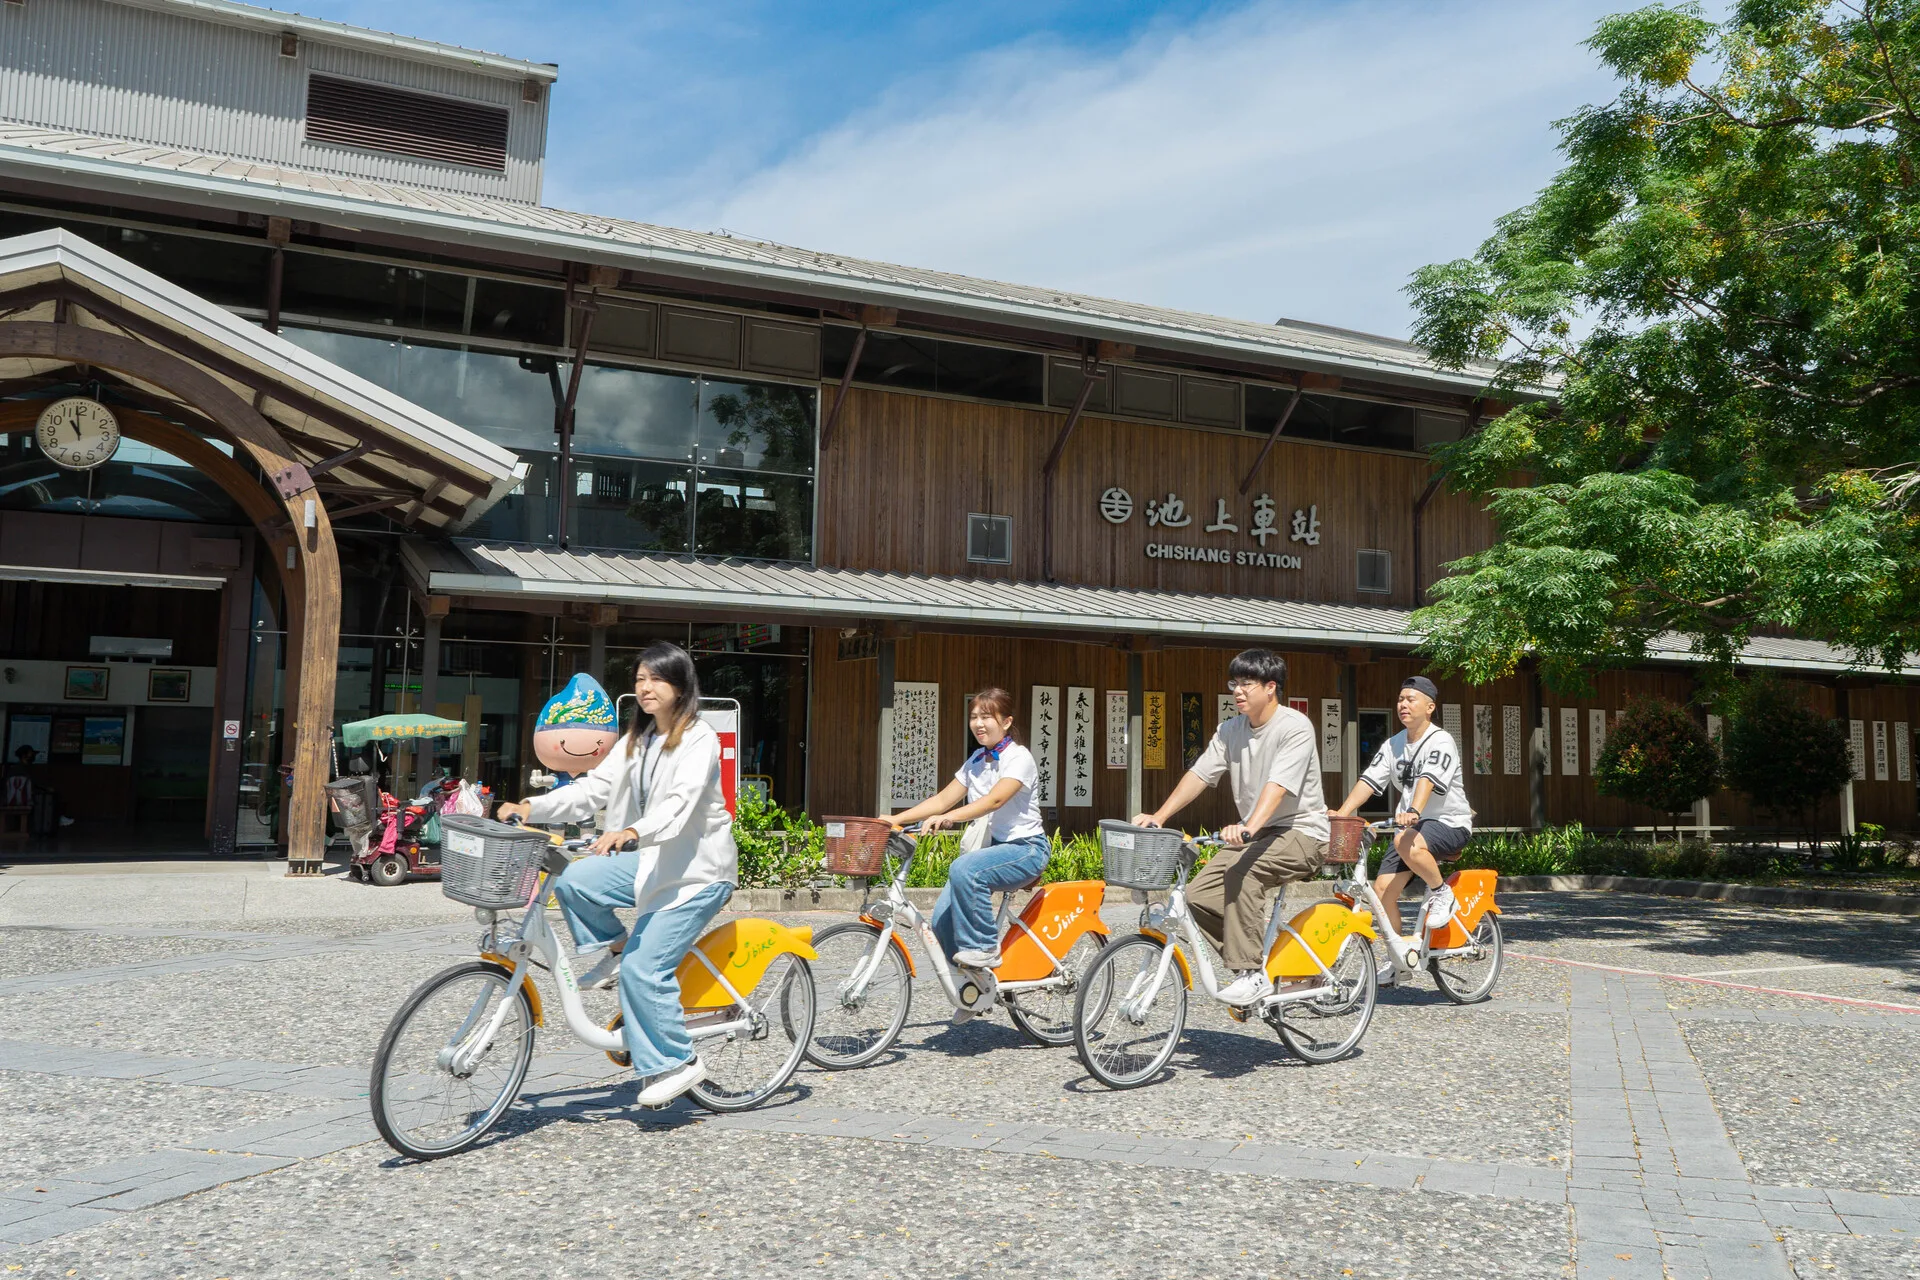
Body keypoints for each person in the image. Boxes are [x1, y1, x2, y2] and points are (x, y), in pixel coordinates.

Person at [496, 642, 734, 1107]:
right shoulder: (635, 742)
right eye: (639, 679)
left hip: (697, 873)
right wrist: (532, 807)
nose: (644, 688)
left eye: (655, 679)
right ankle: (619, 946)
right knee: (574, 882)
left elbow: (679, 805)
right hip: (650, 862)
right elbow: (590, 791)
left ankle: (678, 1063)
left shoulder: (700, 738)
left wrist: (631, 830)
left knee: (646, 971)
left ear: (681, 686)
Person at [1132, 648, 1329, 1006]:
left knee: (1244, 874)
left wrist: (1249, 827)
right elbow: (1200, 774)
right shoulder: (1230, 729)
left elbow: (1278, 786)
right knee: (1196, 897)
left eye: (1247, 684)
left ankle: (1250, 973)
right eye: (1234, 683)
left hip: (1302, 832)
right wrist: (1159, 816)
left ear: (1271, 688)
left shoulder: (1294, 726)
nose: (1237, 691)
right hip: (1259, 833)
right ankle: (1261, 962)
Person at [884, 687, 1048, 992]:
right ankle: (974, 990)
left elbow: (995, 801)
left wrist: (951, 818)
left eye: (987, 716)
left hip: (1027, 849)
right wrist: (895, 819)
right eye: (974, 716)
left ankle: (985, 947)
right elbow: (943, 798)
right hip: (995, 850)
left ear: (1007, 721)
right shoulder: (976, 759)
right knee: (942, 923)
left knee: (964, 869)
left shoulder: (1019, 758)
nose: (979, 723)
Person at [1330, 674, 1471, 985]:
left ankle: (1441, 892)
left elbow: (1428, 780)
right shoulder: (1393, 744)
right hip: (1410, 830)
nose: (1403, 704)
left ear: (1430, 706)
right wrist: (1341, 813)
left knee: (1407, 840)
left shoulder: (1440, 741)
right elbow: (1369, 780)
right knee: (1381, 893)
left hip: (1448, 823)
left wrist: (1413, 812)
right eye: (1400, 699)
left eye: (1411, 699)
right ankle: (1399, 960)